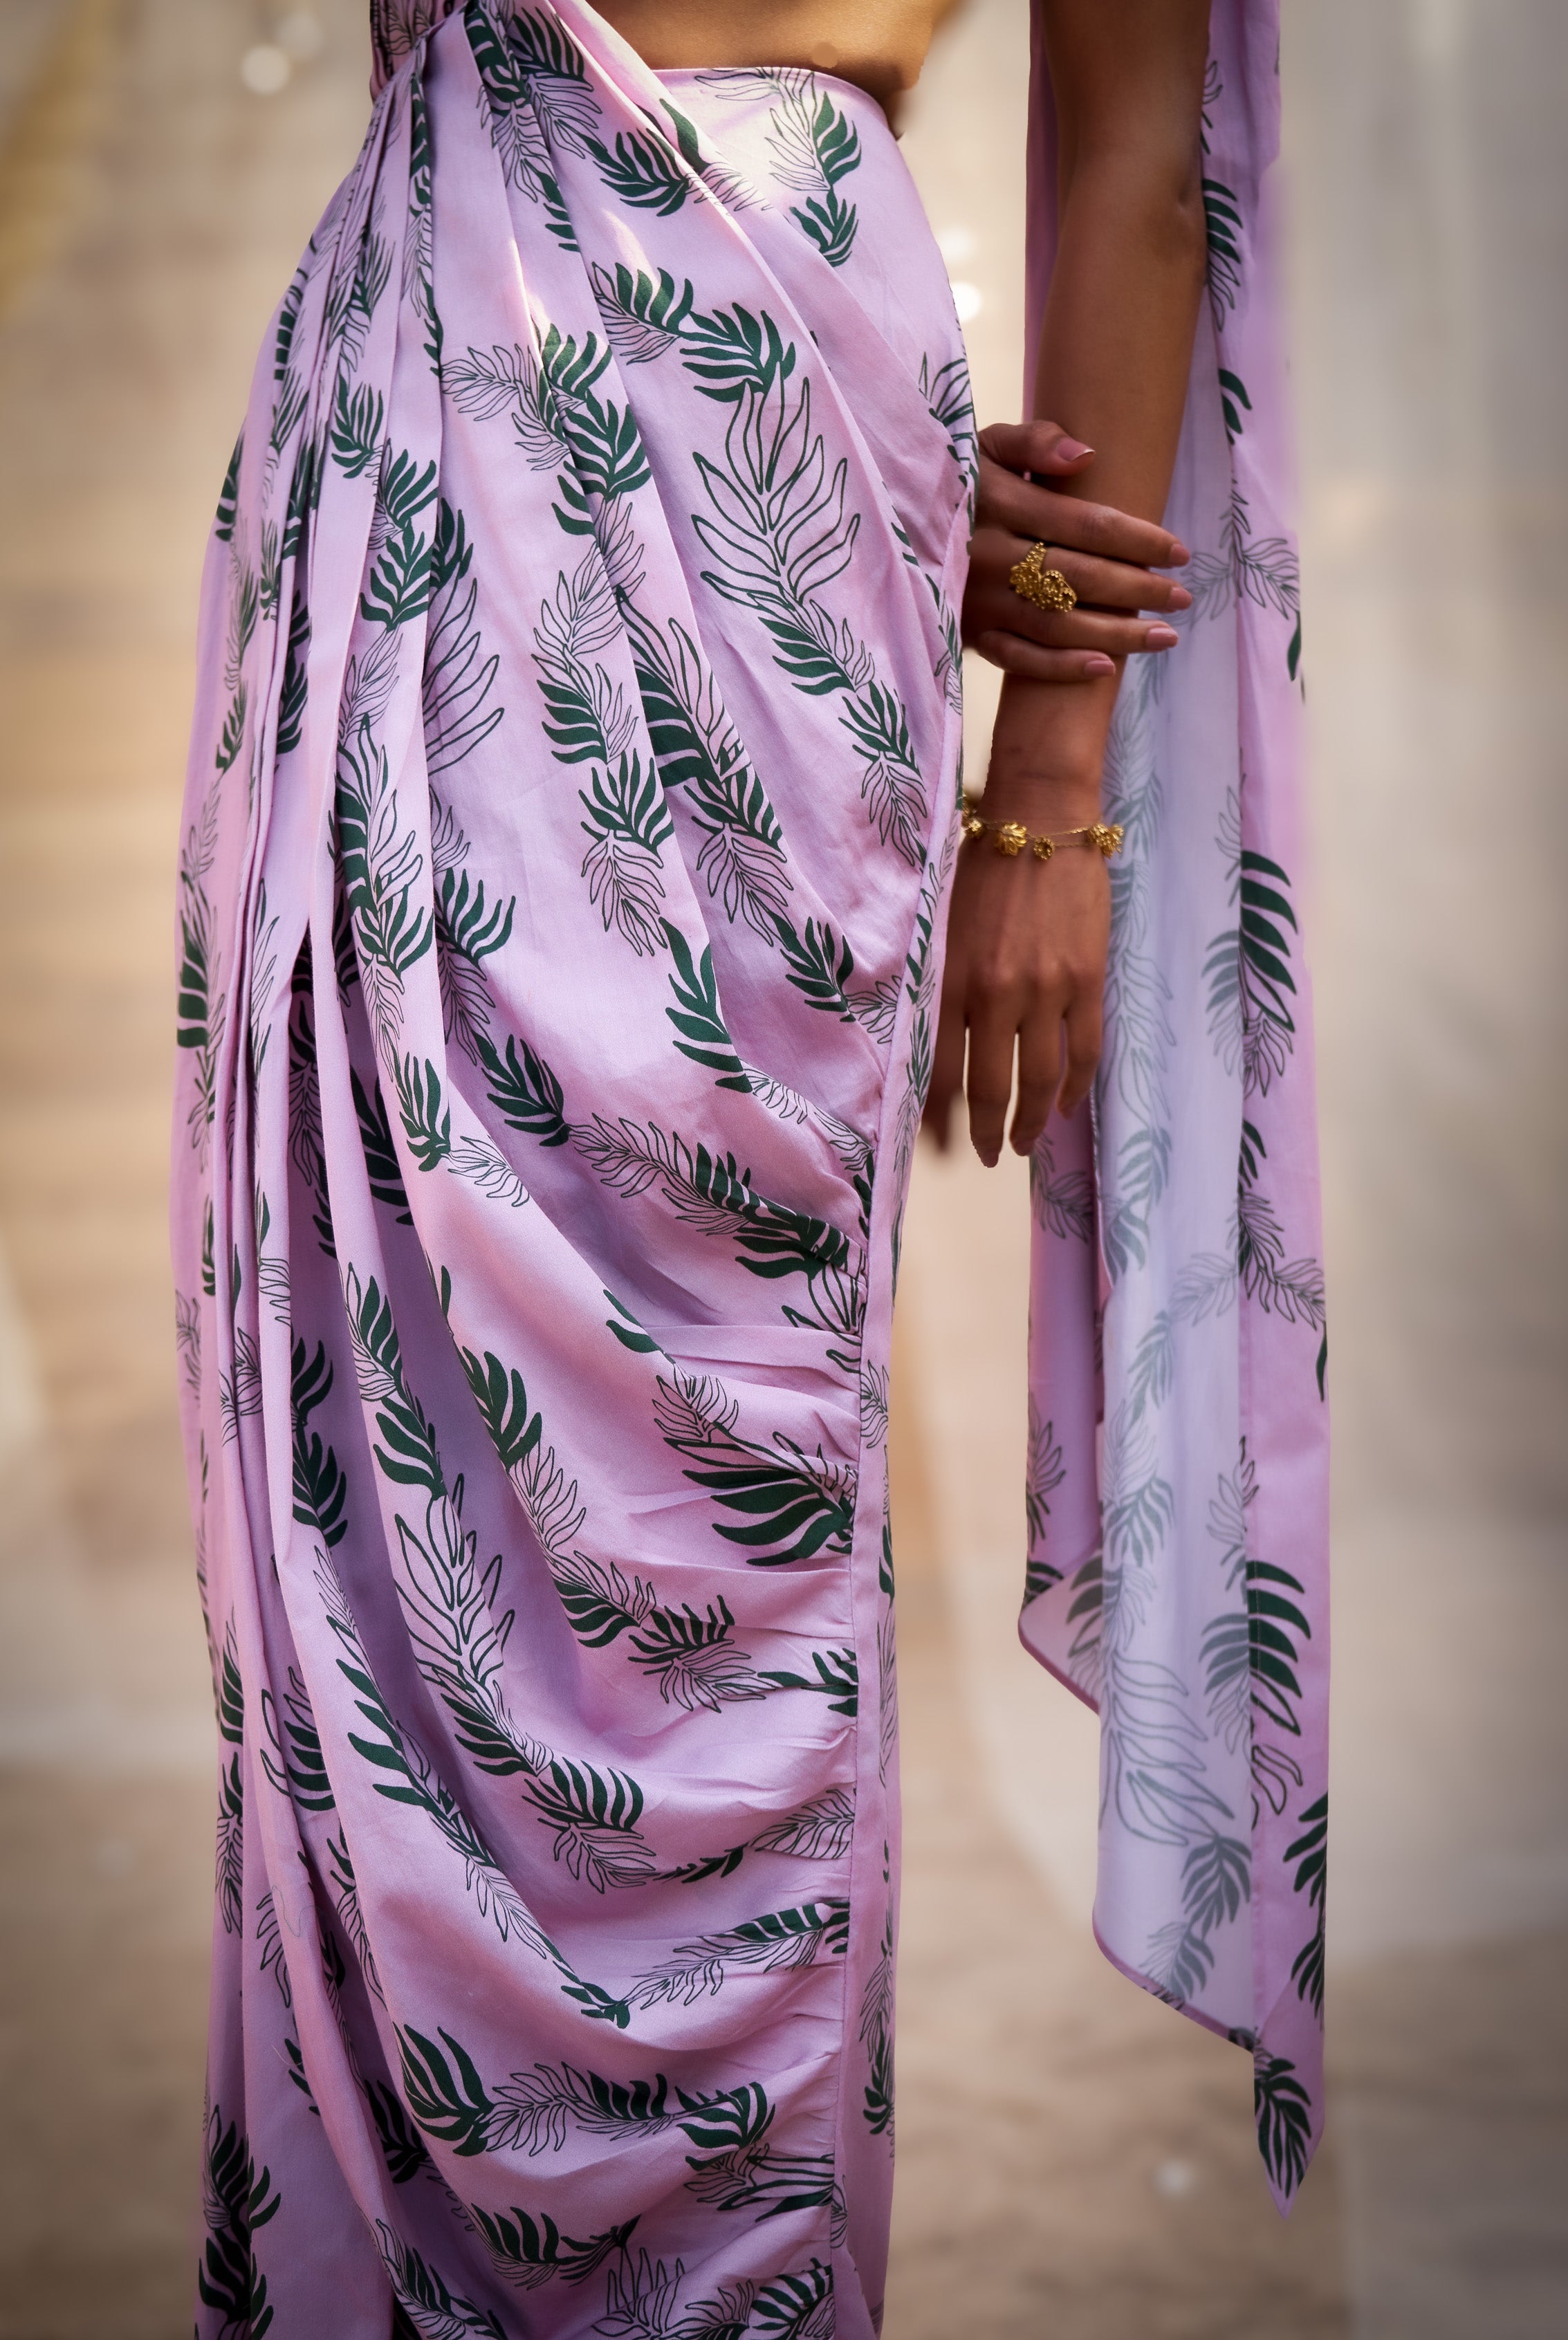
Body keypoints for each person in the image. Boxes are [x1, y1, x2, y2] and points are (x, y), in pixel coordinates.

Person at [172, 3, 1327, 2333]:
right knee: (389, 1487)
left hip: (763, 476)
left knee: (711, 1508)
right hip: (420, 431)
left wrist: (1051, 776)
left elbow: (1140, 132)